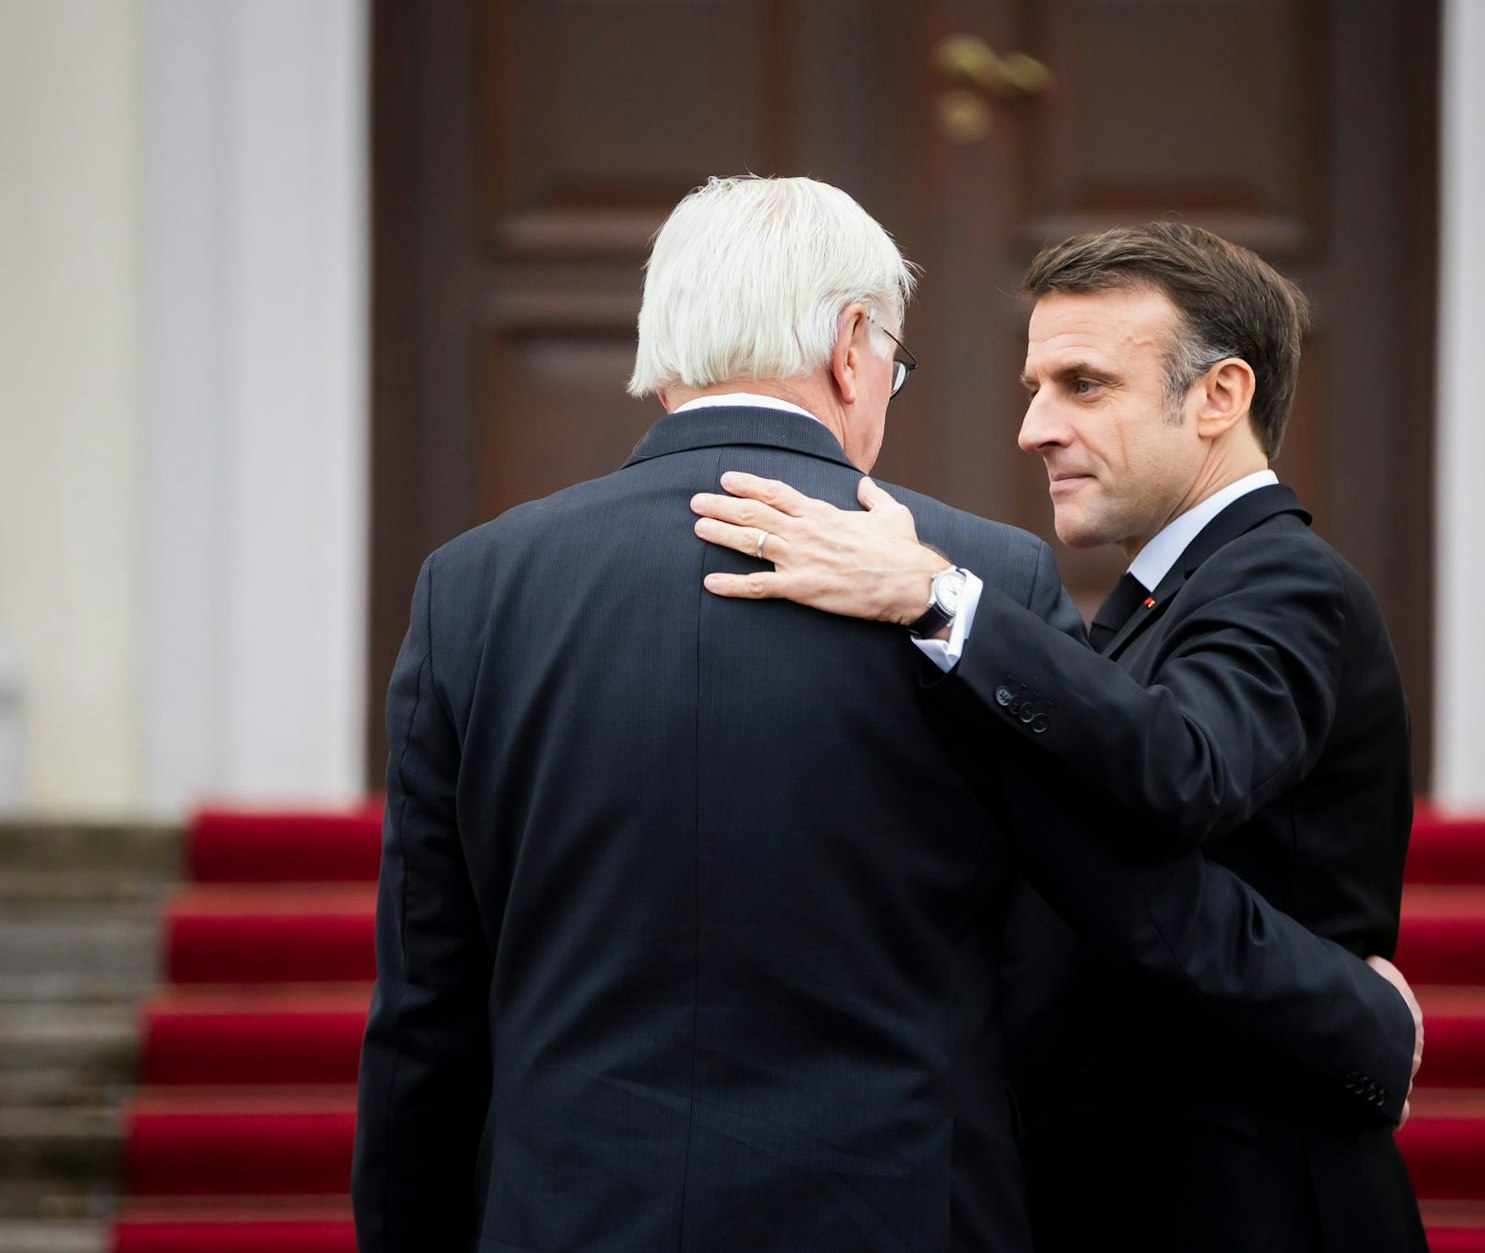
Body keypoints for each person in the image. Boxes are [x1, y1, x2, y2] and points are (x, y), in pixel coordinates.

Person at [353, 178, 1418, 1253]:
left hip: (565, 1211)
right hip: (894, 1204)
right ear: (853, 346)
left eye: (1079, 384)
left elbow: (426, 1003)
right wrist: (1353, 1015)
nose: (1032, 428)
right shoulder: (987, 576)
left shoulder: (472, 587)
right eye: (900, 366)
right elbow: (1085, 905)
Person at [691, 221, 1427, 1250]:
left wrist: (932, 593)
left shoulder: (1283, 580)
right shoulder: (1169, 590)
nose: (1034, 426)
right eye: (1034, 388)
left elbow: (1180, 767)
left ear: (1218, 395)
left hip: (1246, 1195)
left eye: (1083, 385)